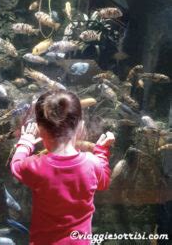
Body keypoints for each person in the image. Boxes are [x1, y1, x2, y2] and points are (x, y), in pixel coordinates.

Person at [10, 90, 115, 245]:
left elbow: (16, 165)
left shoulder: (35, 166)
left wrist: (25, 141)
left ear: (40, 129)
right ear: (80, 126)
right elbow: (104, 181)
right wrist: (101, 151)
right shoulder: (92, 164)